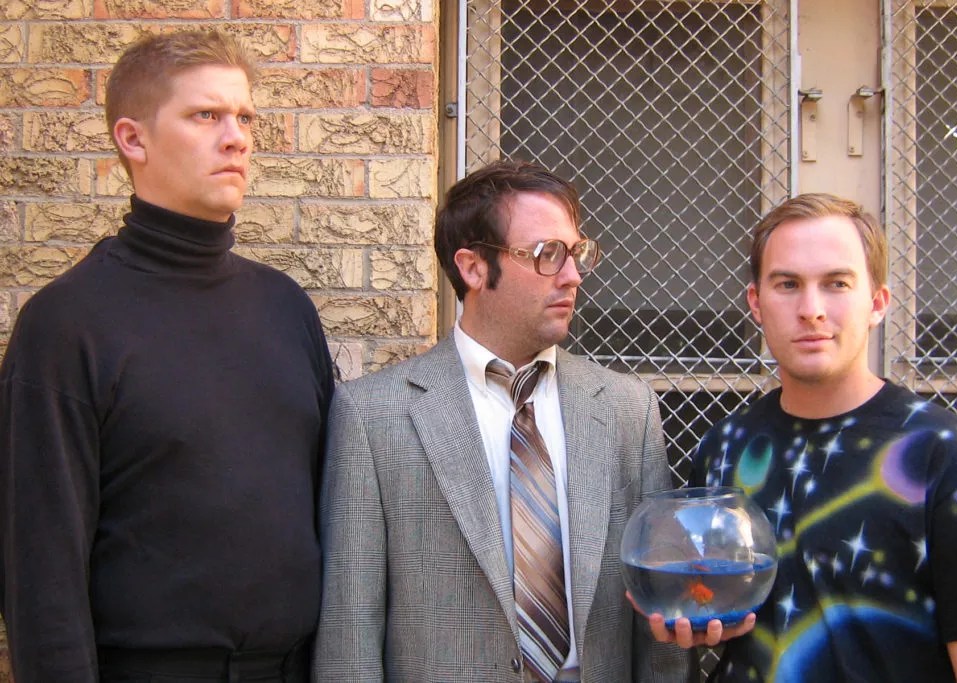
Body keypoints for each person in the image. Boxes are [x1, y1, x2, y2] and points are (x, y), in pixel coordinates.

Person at [0, 31, 335, 683]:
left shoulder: (285, 307)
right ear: (134, 139)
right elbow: (40, 574)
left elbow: (330, 511)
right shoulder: (67, 324)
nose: (236, 138)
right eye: (206, 115)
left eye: (245, 118)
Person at [314, 159, 697, 682]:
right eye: (547, 254)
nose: (572, 275)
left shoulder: (628, 409)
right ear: (473, 268)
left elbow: (657, 617)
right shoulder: (373, 415)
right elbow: (349, 636)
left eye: (576, 253)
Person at [661, 193, 957, 681]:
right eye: (788, 284)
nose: (811, 310)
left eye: (836, 283)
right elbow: (710, 604)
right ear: (756, 303)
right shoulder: (725, 448)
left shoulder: (949, 459)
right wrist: (691, 613)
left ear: (877, 303)